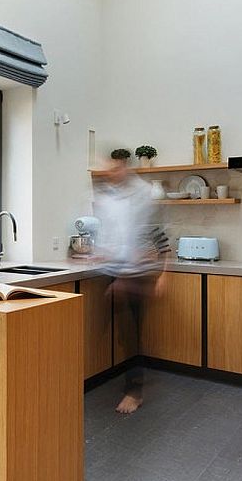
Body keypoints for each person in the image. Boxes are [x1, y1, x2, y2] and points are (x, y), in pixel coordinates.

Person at [92, 148, 170, 414]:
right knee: (117, 333)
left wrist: (162, 276)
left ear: (124, 168)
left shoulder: (141, 197)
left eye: (115, 168)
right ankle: (131, 383)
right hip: (117, 273)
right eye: (108, 169)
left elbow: (158, 242)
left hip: (135, 276)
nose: (111, 174)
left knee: (130, 333)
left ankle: (135, 391)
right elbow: (113, 238)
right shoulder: (110, 198)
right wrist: (99, 255)